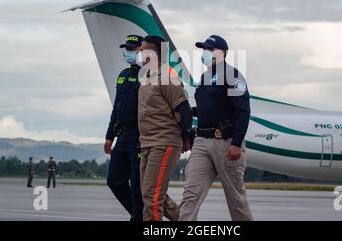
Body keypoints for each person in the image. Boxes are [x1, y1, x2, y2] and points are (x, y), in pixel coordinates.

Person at [179, 35, 253, 221]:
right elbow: (209, 108)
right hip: (202, 141)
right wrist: (188, 113)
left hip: (225, 142)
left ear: (223, 53)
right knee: (191, 195)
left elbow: (243, 111)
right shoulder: (204, 77)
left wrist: (236, 143)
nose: (205, 53)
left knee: (236, 200)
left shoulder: (233, 75)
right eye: (204, 49)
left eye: (210, 49)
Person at [137, 35, 192, 221]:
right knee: (148, 193)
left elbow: (184, 111)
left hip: (164, 142)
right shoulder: (146, 77)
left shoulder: (168, 77)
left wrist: (185, 138)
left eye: (144, 49)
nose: (139, 52)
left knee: (152, 197)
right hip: (146, 143)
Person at [104, 35, 144, 221]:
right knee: (114, 181)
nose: (129, 52)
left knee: (137, 185)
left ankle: (139, 218)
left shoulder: (148, 75)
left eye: (133, 49)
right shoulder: (123, 75)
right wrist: (109, 136)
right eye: (127, 49)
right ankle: (139, 215)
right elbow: (116, 107)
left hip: (139, 136)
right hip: (122, 135)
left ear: (142, 51)